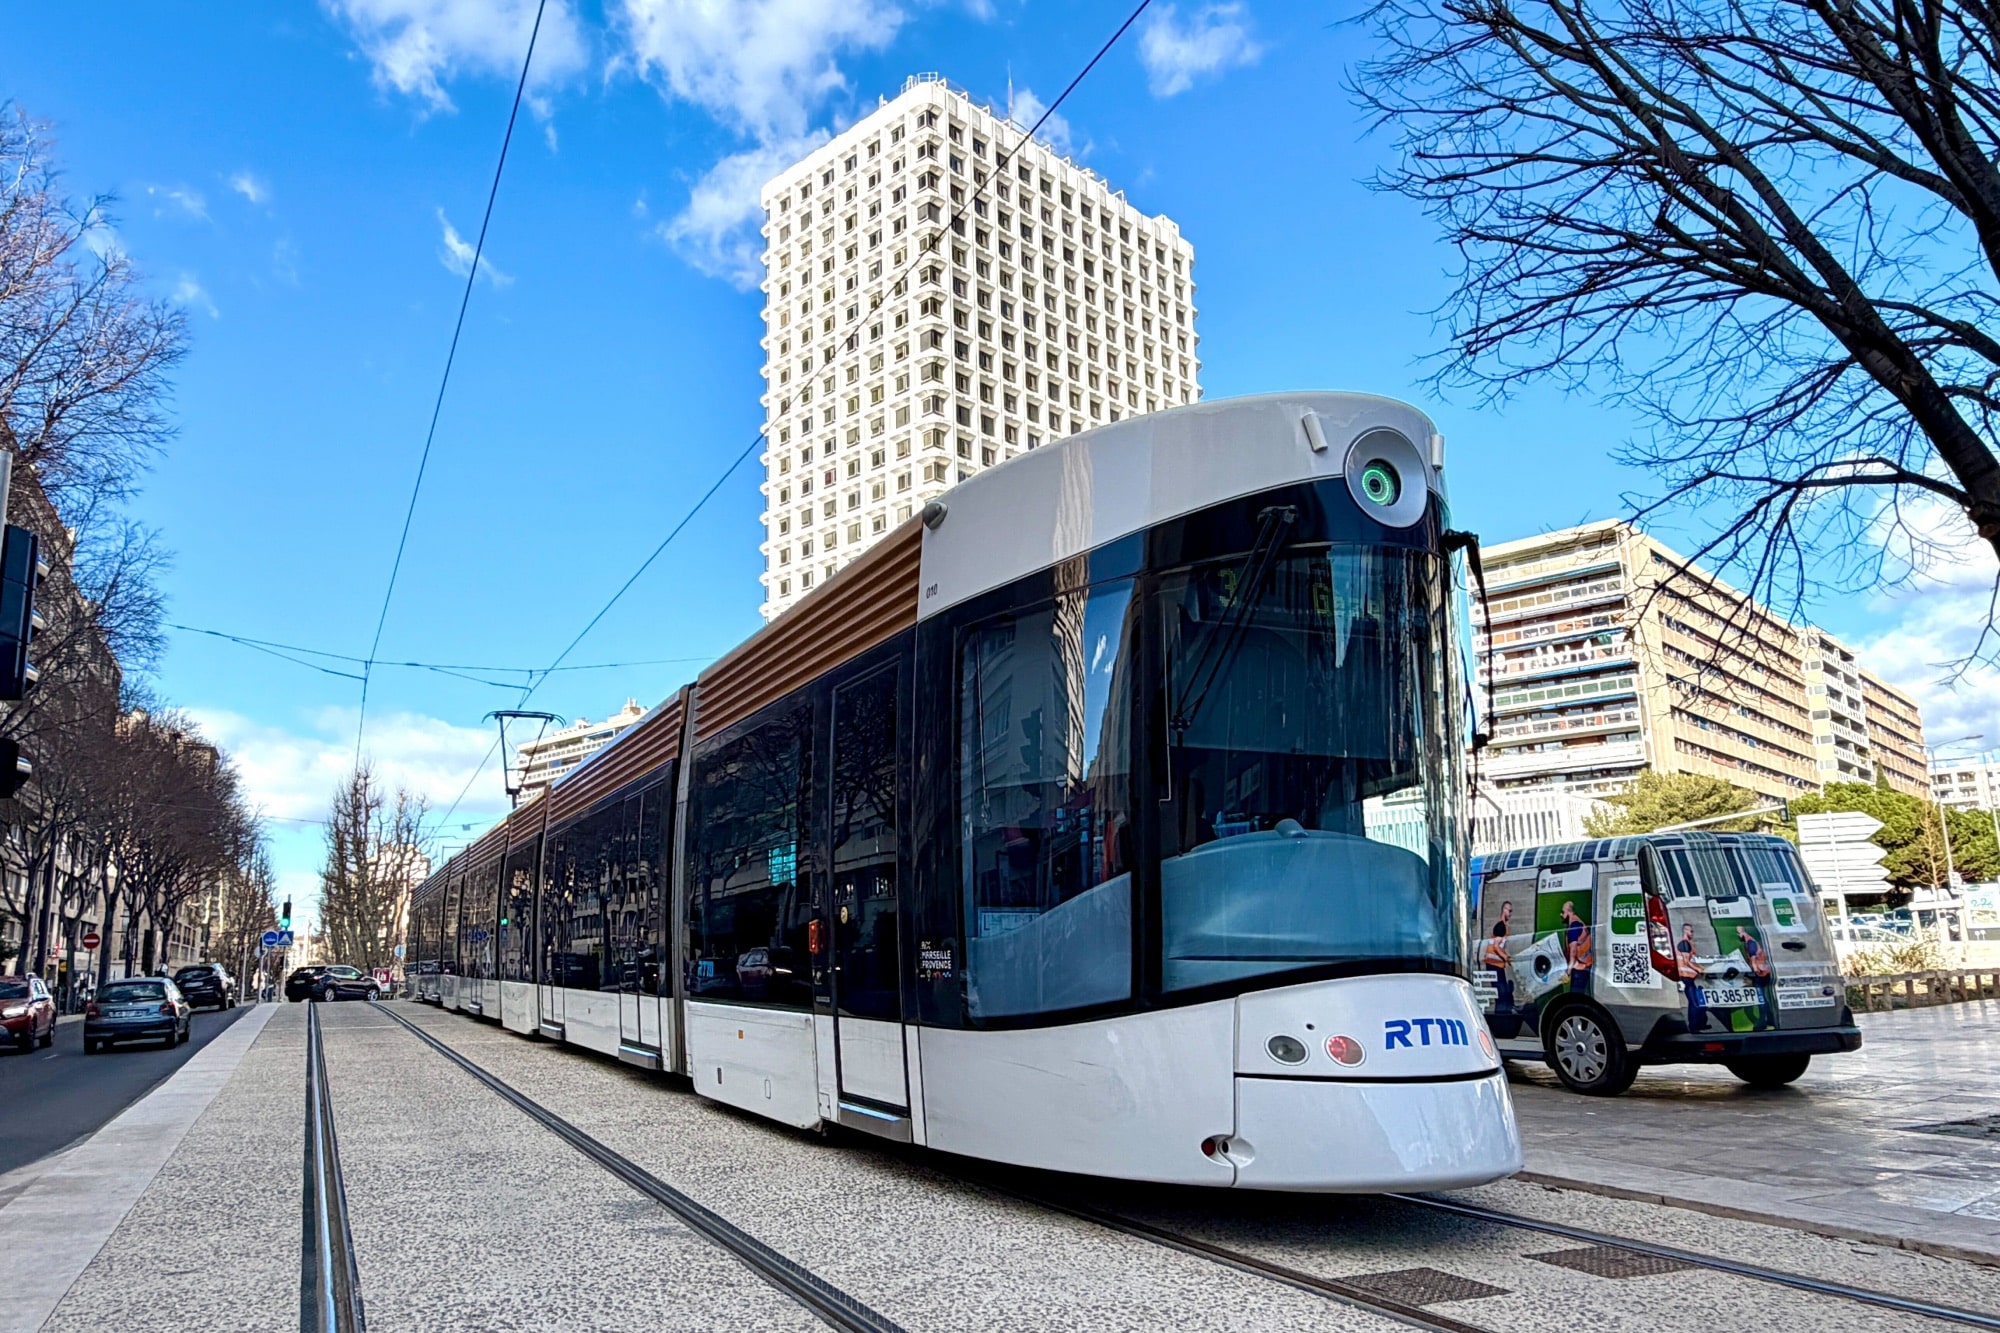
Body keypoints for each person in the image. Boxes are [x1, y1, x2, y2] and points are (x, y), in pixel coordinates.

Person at [1481, 901, 1516, 1015]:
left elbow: (1501, 946)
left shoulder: (1504, 927)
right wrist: (1505, 957)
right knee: (1501, 993)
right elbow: (1496, 946)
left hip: (1497, 965)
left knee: (1502, 993)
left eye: (1511, 911)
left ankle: (1502, 1015)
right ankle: (1500, 1018)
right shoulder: (1501, 926)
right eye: (1509, 910)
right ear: (1503, 910)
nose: (1510, 913)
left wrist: (1507, 957)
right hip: (1493, 965)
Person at [1676, 923, 1706, 1033]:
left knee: (1694, 1002)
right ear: (1685, 931)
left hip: (1689, 977)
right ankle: (1694, 1028)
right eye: (1691, 931)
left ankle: (1698, 1025)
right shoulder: (1684, 944)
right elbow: (1686, 961)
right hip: (1686, 977)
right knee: (1694, 1003)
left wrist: (1700, 968)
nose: (1692, 933)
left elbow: (1692, 960)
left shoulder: (1688, 944)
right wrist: (1699, 970)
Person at [1561, 899, 1594, 997]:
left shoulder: (1574, 928)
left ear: (1569, 912)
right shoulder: (1579, 923)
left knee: (1575, 997)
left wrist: (1567, 973)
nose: (1561, 915)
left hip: (1580, 967)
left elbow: (1573, 952)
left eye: (1563, 912)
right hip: (1586, 964)